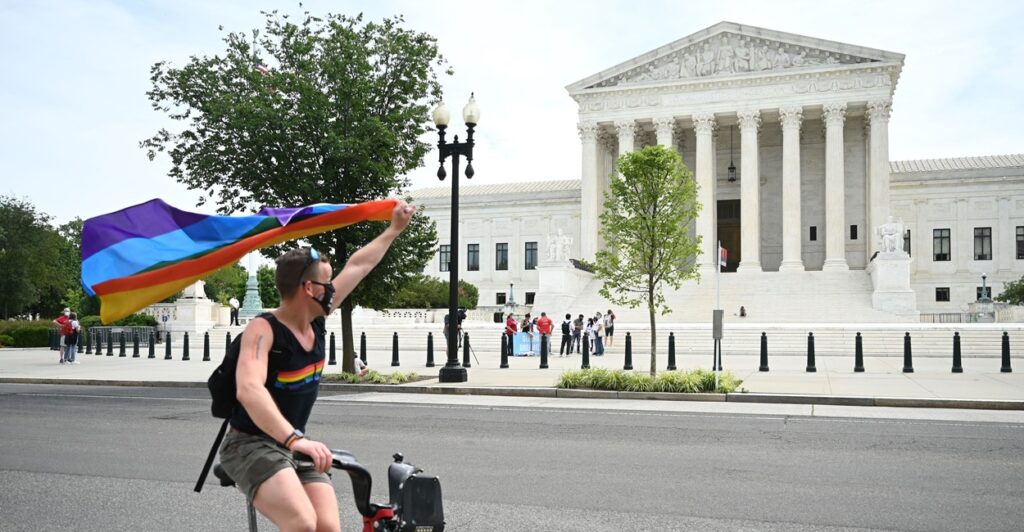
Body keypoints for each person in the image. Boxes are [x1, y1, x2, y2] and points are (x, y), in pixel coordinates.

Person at [219, 200, 414, 532]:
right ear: (308, 288)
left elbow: (359, 265)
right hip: (249, 444)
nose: (333, 289)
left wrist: (393, 230)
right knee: (303, 524)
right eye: (327, 283)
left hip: (292, 444)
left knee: (327, 528)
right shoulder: (262, 331)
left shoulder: (316, 319)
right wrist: (295, 440)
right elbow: (249, 390)